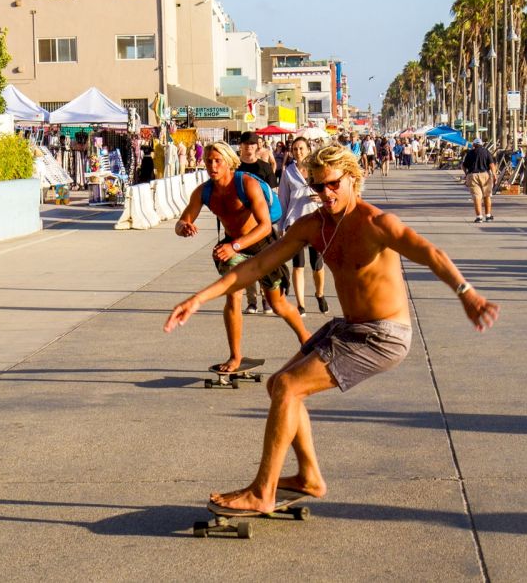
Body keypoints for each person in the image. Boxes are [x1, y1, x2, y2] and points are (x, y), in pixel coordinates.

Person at [165, 144, 498, 513]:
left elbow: (431, 253)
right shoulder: (314, 226)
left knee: (289, 388)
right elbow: (256, 267)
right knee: (278, 385)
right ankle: (309, 476)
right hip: (348, 327)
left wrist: (467, 293)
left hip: (383, 335)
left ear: (353, 179)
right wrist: (198, 299)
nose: (326, 194)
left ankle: (263, 491)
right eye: (318, 187)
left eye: (333, 185)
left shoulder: (377, 224)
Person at [174, 142, 308, 372]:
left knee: (277, 304)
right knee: (233, 296)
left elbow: (265, 226)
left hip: (262, 245)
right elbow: (182, 221)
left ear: (229, 162)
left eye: (218, 161)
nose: (212, 166)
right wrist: (183, 227)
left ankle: (308, 342)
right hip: (232, 247)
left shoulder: (247, 184)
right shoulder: (204, 191)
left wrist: (235, 246)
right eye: (208, 161)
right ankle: (235, 356)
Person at [277, 137, 330, 315]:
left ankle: (320, 293)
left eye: (301, 148)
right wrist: (281, 225)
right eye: (295, 149)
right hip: (295, 223)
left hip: (316, 221)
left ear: (308, 149)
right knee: (298, 265)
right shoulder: (288, 172)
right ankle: (301, 305)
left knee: (317, 265)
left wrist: (320, 197)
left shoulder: (318, 169)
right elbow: (283, 200)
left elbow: (330, 192)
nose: (298, 152)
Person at [237, 131, 280, 314]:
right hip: (240, 221)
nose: (249, 147)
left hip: (263, 221)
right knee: (245, 263)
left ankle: (267, 299)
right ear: (241, 146)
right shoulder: (235, 168)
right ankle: (252, 301)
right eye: (246, 144)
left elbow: (273, 194)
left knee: (263, 261)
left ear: (257, 146)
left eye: (252, 144)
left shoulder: (264, 167)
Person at [462, 138, 494, 223]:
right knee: (487, 195)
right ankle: (488, 215)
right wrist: (494, 175)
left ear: (474, 145)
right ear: (481, 144)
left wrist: (466, 174)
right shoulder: (486, 152)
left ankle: (479, 217)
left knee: (477, 197)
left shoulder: (470, 153)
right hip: (485, 175)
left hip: (473, 175)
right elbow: (491, 164)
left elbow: (463, 165)